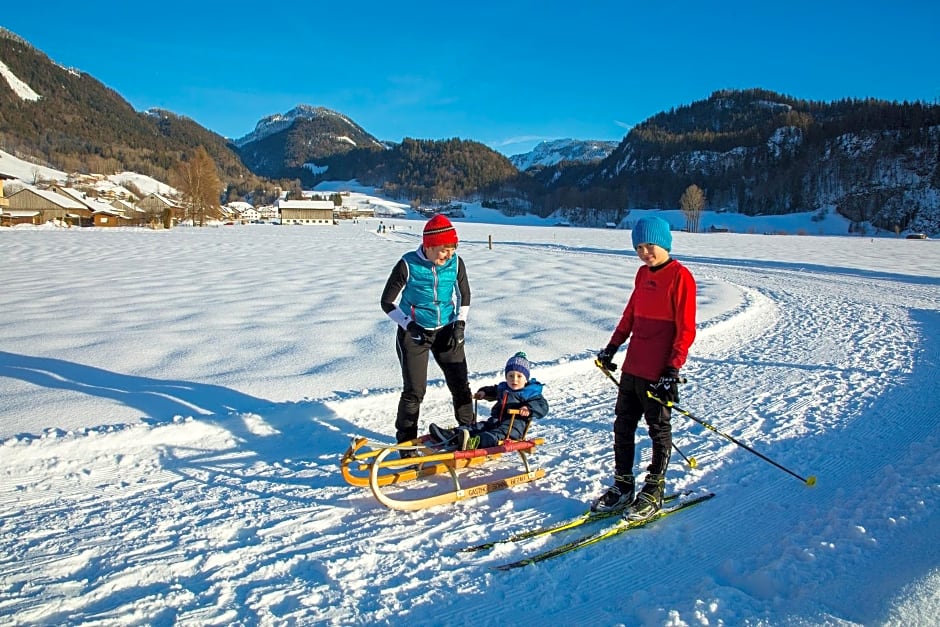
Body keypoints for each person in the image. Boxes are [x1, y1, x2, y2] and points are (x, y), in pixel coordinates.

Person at [592, 216, 697, 521]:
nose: (644, 252)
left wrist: (672, 370)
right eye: (639, 246)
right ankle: (623, 485)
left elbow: (685, 330)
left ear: (664, 243)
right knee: (622, 426)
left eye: (649, 245)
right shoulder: (642, 275)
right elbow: (630, 316)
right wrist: (612, 348)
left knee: (658, 429)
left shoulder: (681, 277)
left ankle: (655, 489)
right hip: (633, 366)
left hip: (658, 370)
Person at [380, 214, 474, 453]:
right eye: (444, 250)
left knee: (460, 384)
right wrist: (410, 326)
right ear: (429, 246)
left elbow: (464, 295)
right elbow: (387, 302)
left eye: (452, 250)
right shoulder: (408, 264)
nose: (449, 255)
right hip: (414, 333)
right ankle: (406, 446)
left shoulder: (456, 263)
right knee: (414, 391)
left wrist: (460, 324)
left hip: (447, 330)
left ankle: (469, 433)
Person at [429, 352, 548, 450]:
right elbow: (493, 390)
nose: (514, 380)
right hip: (495, 422)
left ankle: (473, 443)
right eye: (510, 376)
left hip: (512, 429)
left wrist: (528, 408)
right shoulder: (504, 388)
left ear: (526, 379)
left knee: (491, 436)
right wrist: (484, 392)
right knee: (477, 427)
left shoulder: (530, 392)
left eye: (519, 376)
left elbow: (542, 405)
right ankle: (449, 435)